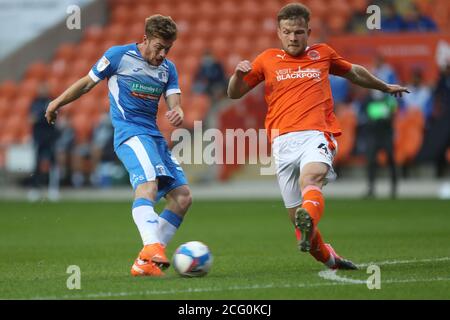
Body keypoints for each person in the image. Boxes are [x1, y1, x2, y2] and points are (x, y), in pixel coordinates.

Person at [227, 3, 409, 270]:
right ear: (279, 32)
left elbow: (355, 72)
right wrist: (237, 75)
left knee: (311, 178)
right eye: (287, 32)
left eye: (299, 32)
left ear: (308, 31)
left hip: (316, 134)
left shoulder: (322, 54)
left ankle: (308, 217)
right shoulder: (267, 59)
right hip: (281, 142)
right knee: (300, 224)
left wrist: (383, 86)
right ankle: (330, 258)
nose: (293, 37)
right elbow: (234, 93)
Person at [45, 15, 192, 277]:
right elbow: (87, 83)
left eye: (167, 49)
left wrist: (177, 110)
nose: (162, 54)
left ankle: (144, 262)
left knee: (182, 198)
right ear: (145, 39)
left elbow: (174, 100)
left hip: (154, 137)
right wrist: (57, 102)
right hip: (130, 134)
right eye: (158, 46)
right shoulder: (118, 56)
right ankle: (152, 248)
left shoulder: (168, 68)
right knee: (148, 186)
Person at [362, 89, 398, 198]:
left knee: (391, 161)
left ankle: (394, 189)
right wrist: (381, 115)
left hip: (386, 134)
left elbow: (391, 115)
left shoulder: (389, 100)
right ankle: (371, 188)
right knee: (371, 162)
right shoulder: (368, 100)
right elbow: (368, 115)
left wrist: (378, 116)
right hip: (374, 135)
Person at [28, 83, 60, 202]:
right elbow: (32, 119)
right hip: (38, 137)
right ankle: (35, 189)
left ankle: (54, 189)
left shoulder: (52, 101)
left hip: (50, 137)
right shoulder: (35, 102)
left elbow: (54, 116)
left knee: (53, 164)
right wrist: (45, 115)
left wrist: (40, 116)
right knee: (36, 164)